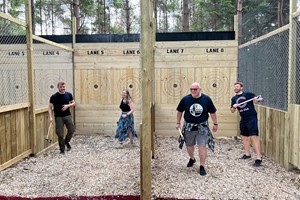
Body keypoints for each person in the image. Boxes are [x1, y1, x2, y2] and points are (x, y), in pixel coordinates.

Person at [176, 82, 218, 176]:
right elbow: (179, 111)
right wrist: (178, 122)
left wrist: (215, 123)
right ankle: (192, 158)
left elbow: (212, 112)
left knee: (202, 146)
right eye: (191, 89)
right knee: (189, 146)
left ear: (200, 89)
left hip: (202, 127)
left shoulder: (206, 99)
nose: (193, 91)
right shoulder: (185, 99)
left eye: (195, 89)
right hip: (188, 126)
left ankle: (202, 165)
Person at [230, 81, 263, 167]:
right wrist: (234, 106)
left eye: (237, 87)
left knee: (253, 136)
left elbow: (259, 99)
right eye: (235, 87)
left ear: (241, 88)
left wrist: (257, 100)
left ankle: (259, 158)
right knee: (244, 137)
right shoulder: (233, 99)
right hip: (243, 118)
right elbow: (232, 111)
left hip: (252, 117)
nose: (236, 88)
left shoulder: (248, 94)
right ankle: (247, 154)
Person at [48, 81, 75, 154]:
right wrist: (50, 117)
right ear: (58, 87)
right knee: (60, 134)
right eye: (61, 87)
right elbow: (50, 107)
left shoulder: (69, 95)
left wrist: (67, 106)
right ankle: (62, 149)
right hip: (58, 117)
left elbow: (73, 103)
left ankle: (66, 142)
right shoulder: (53, 97)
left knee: (71, 130)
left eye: (63, 87)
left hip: (67, 116)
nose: (62, 88)